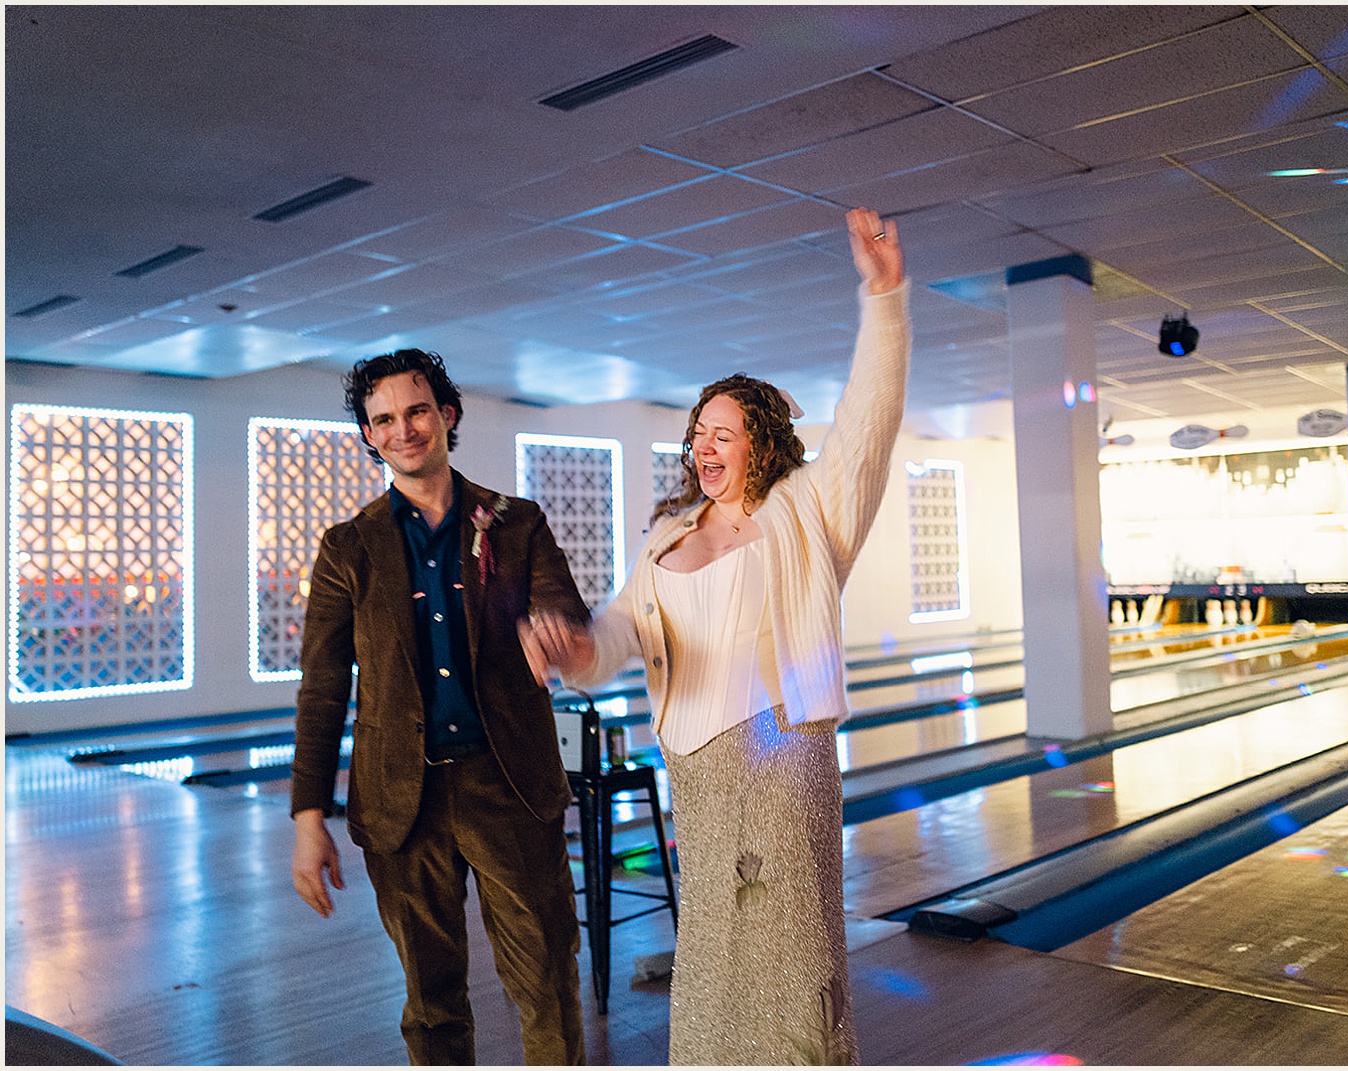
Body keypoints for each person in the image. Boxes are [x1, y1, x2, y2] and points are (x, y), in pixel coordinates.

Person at [521, 206, 908, 1065]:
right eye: (697, 432)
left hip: (782, 767)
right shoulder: (666, 534)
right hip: (694, 777)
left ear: (760, 442)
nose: (703, 445)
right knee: (712, 970)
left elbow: (867, 424)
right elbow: (622, 626)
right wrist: (580, 648)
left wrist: (883, 297)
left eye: (721, 432)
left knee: (790, 968)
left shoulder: (806, 510)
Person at [289, 348, 588, 1065]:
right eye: (383, 418)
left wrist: (560, 639)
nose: (403, 428)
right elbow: (323, 687)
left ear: (446, 415)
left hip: (507, 783)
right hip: (402, 800)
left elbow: (566, 616)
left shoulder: (517, 523)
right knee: (431, 1006)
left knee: (546, 981)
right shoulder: (346, 548)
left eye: (417, 410)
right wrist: (309, 818)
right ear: (367, 434)